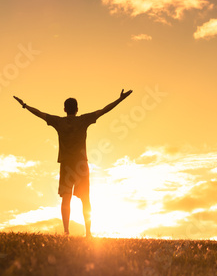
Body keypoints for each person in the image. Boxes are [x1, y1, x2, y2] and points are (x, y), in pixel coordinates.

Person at [13, 89, 133, 237]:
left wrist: (24, 105)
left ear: (64, 109)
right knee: (86, 199)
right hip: (81, 165)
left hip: (66, 164)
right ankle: (88, 233)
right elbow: (104, 110)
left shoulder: (58, 121)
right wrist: (120, 99)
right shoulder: (83, 120)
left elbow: (39, 113)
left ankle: (66, 231)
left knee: (66, 198)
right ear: (77, 109)